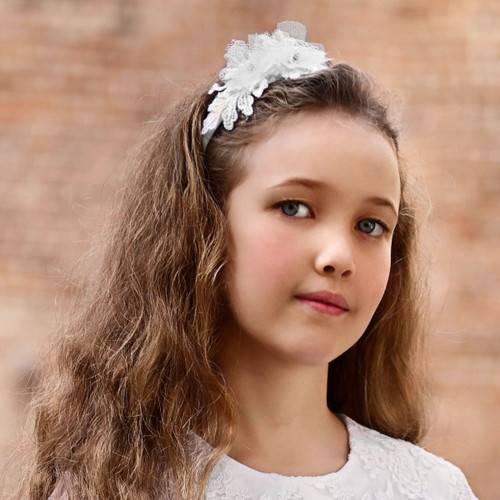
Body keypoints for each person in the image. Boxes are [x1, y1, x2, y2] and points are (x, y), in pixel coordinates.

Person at [25, 21, 478, 500]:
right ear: (205, 224)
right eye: (293, 207)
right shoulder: (114, 484)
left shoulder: (432, 488)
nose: (339, 257)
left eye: (370, 225)